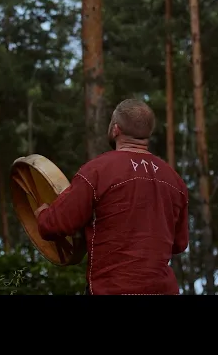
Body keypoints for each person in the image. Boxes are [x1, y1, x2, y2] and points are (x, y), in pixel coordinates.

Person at [34, 99, 189, 295]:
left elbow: (55, 225)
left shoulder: (97, 171)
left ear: (115, 129)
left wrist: (43, 214)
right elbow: (179, 243)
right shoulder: (175, 181)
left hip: (111, 289)